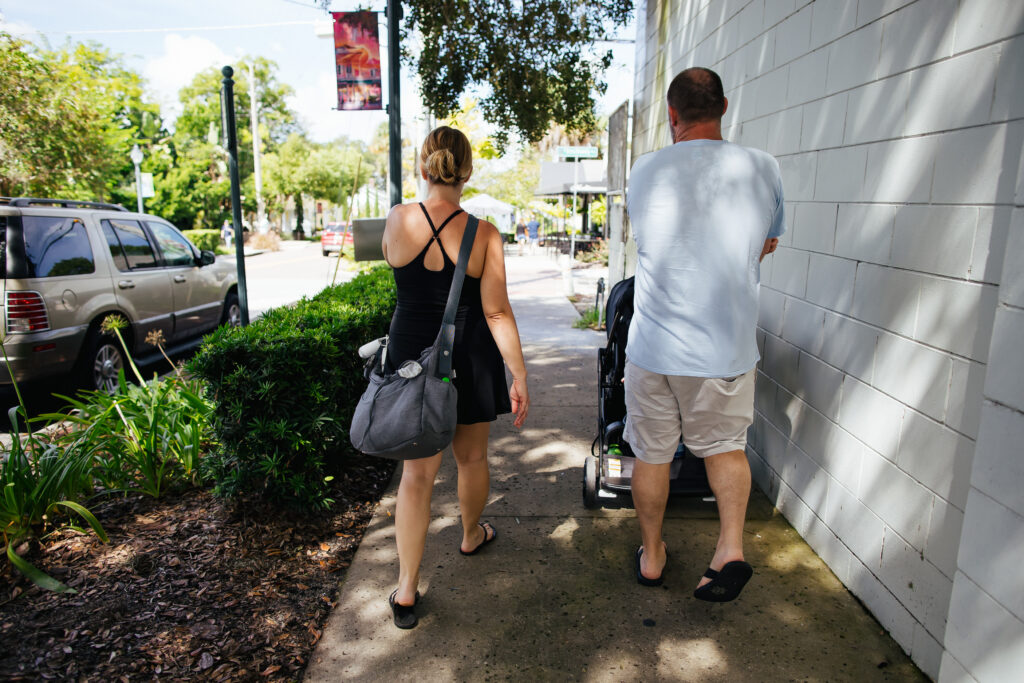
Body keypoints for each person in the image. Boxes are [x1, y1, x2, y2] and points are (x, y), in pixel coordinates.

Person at [624, 67, 784, 602]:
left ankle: (652, 556)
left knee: (651, 455)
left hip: (653, 347)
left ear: (672, 117)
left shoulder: (645, 171)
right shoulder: (764, 168)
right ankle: (729, 550)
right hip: (724, 348)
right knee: (725, 450)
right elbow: (766, 245)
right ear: (725, 106)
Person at [380, 125, 530, 628]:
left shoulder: (399, 219)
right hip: (466, 355)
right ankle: (470, 534)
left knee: (416, 476)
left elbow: (396, 271)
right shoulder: (485, 233)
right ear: (467, 171)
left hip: (409, 357)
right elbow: (497, 313)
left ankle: (405, 590)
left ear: (424, 166)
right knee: (471, 459)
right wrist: (519, 373)